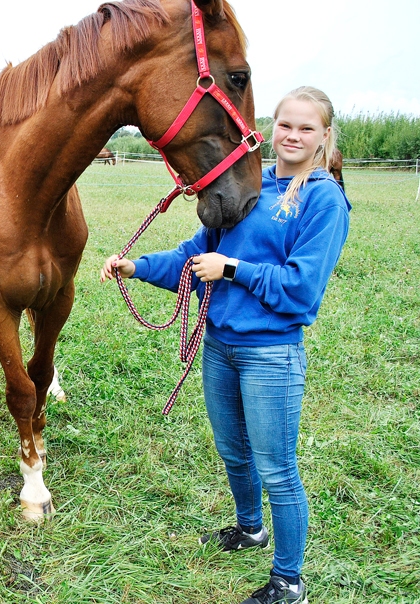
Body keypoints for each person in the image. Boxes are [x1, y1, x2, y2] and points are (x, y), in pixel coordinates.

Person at [100, 86, 351, 604]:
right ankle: (250, 527)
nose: (293, 136)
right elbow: (195, 256)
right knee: (234, 452)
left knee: (277, 467)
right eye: (286, 125)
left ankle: (288, 580)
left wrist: (232, 269)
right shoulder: (247, 186)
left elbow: (301, 287)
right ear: (268, 126)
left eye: (307, 128)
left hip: (270, 354)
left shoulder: (323, 199)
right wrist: (138, 266)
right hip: (220, 347)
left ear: (325, 136)